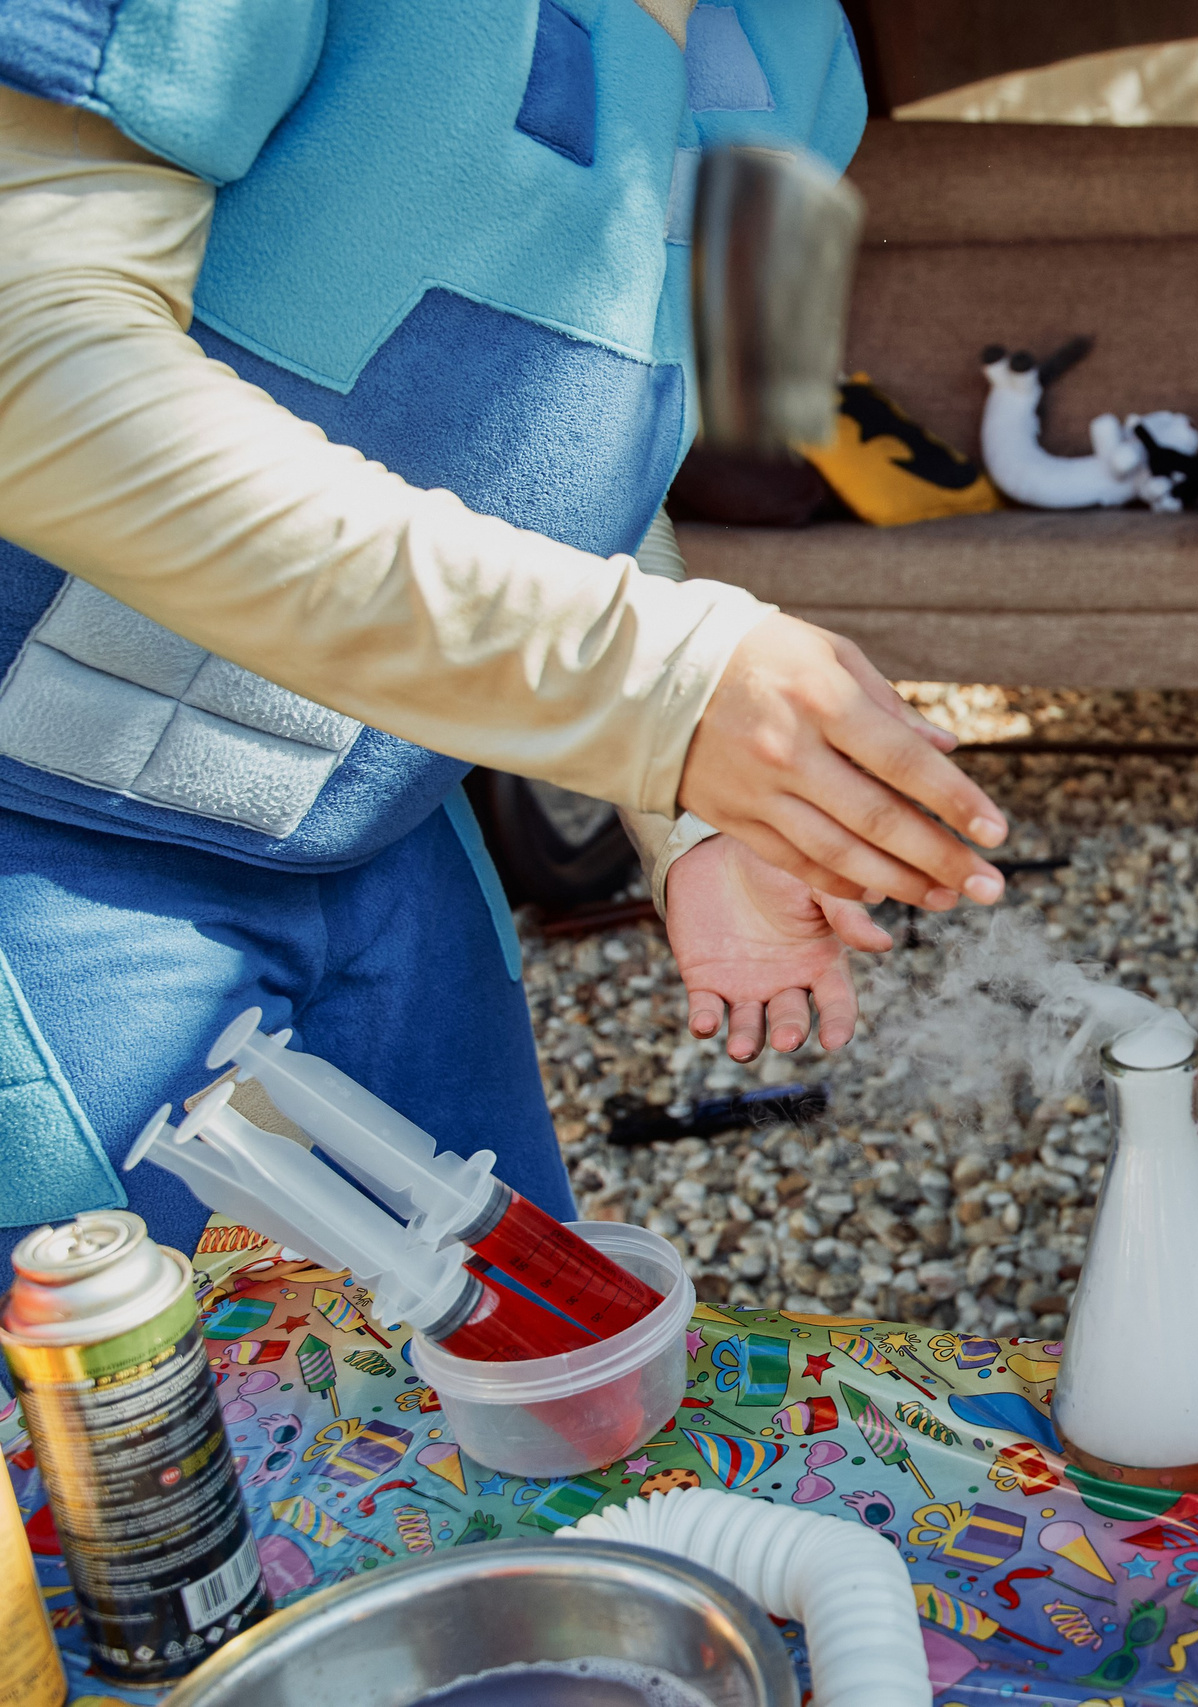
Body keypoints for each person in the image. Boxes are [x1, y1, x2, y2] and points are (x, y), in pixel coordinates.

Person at [0, 5, 1008, 1264]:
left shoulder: (805, 63)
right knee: (134, 1436)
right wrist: (654, 697)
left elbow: (597, 450)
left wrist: (690, 812)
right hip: (48, 862)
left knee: (521, 1369)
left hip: (393, 842)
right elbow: (34, 379)